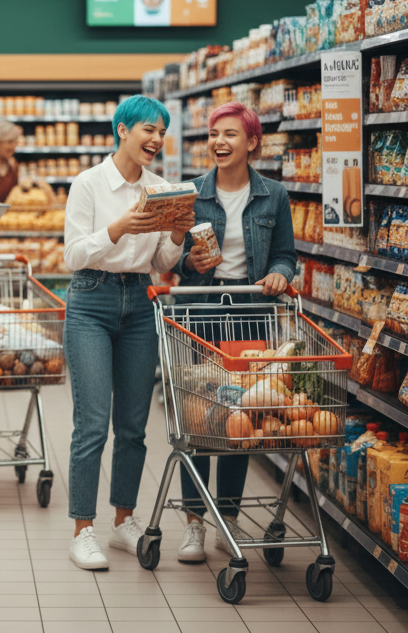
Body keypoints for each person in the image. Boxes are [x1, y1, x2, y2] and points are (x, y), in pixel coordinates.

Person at [62, 95, 195, 570]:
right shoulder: (89, 184)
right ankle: (83, 528)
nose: (157, 139)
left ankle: (123, 520)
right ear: (122, 130)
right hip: (90, 301)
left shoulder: (162, 188)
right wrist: (118, 228)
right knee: (93, 423)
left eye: (162, 131)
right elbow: (73, 255)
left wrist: (177, 233)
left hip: (140, 302)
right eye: (148, 130)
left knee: (135, 427)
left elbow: (162, 262)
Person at [173, 101, 296, 562]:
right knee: (200, 415)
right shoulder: (191, 194)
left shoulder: (274, 196)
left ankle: (228, 516)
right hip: (202, 306)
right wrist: (191, 262)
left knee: (240, 416)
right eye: (213, 134)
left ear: (251, 142)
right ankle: (194, 523)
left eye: (229, 134)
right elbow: (178, 258)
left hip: (249, 311)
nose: (218, 142)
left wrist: (281, 273)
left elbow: (285, 253)